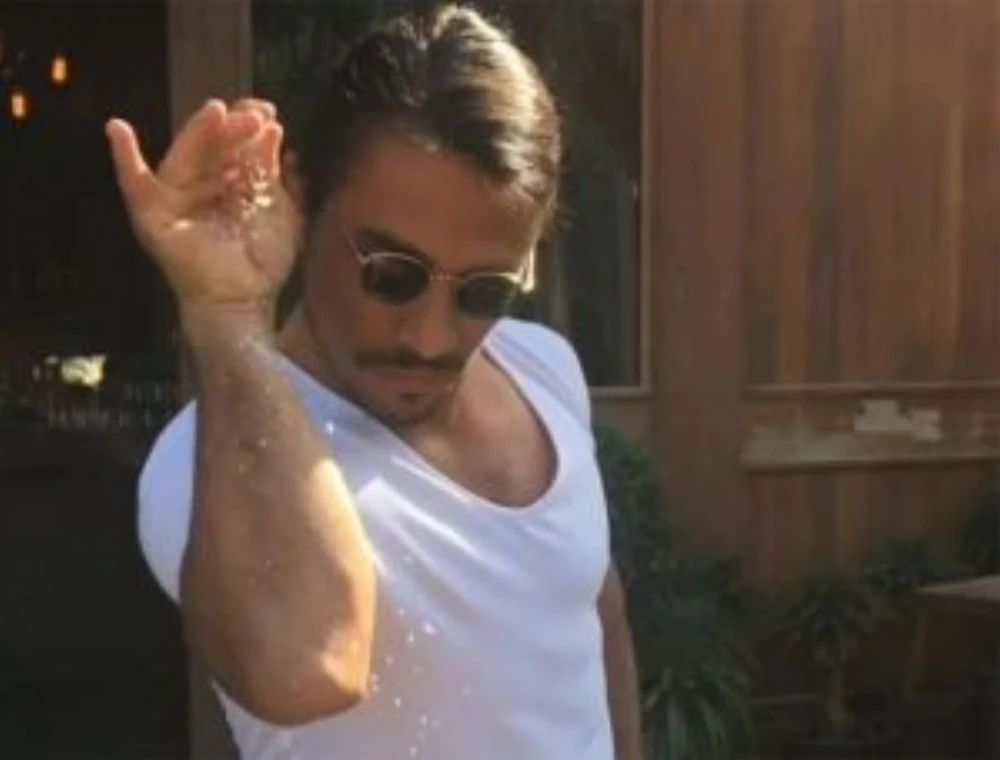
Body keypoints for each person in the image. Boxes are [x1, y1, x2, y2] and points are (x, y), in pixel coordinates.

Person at [105, 4, 643, 759]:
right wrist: (226, 315)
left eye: (484, 291)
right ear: (301, 197)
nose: (430, 337)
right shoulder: (203, 464)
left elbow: (594, 617)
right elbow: (303, 671)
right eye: (391, 274)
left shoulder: (541, 367)